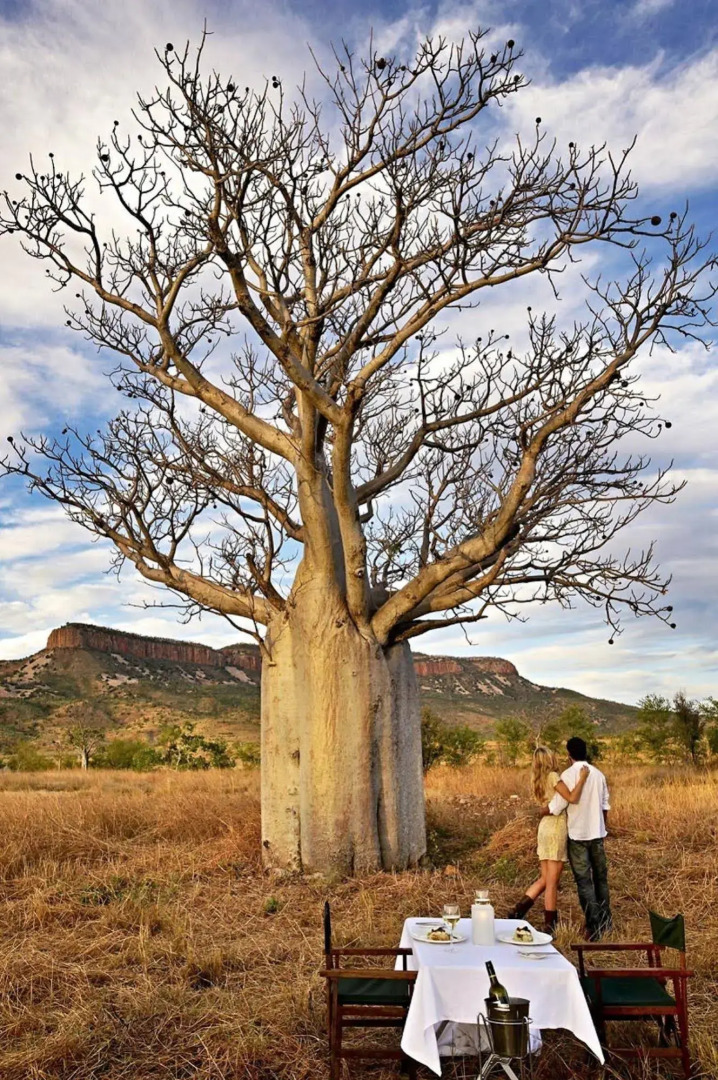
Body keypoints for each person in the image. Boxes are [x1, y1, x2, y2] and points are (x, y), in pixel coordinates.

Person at [506, 746, 589, 932]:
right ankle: (550, 926)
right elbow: (571, 798)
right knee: (552, 882)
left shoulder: (538, 779)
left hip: (544, 827)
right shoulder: (552, 776)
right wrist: (582, 779)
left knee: (545, 878)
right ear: (549, 759)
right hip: (556, 827)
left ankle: (517, 912)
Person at [546, 736, 613, 941]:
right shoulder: (599, 774)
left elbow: (558, 806)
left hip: (577, 835)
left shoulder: (567, 775)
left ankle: (594, 926)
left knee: (584, 882)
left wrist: (540, 812)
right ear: (586, 752)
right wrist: (603, 827)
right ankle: (606, 922)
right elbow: (605, 806)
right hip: (597, 834)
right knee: (601, 879)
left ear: (569, 755)